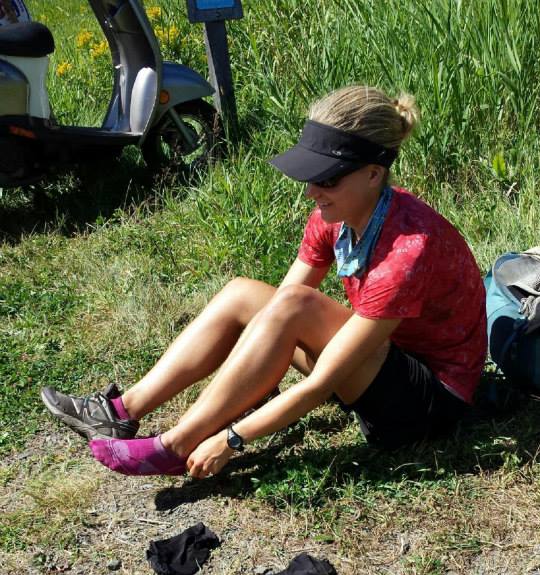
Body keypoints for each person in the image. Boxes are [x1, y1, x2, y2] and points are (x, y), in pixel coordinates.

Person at [41, 85, 487, 480]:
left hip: (425, 405)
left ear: (374, 173)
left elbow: (316, 380)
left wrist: (233, 437)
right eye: (310, 174)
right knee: (243, 293)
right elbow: (274, 309)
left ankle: (176, 447)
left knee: (297, 305)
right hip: (377, 363)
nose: (312, 190)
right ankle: (121, 411)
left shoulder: (409, 249)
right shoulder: (335, 213)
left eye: (327, 177)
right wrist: (256, 371)